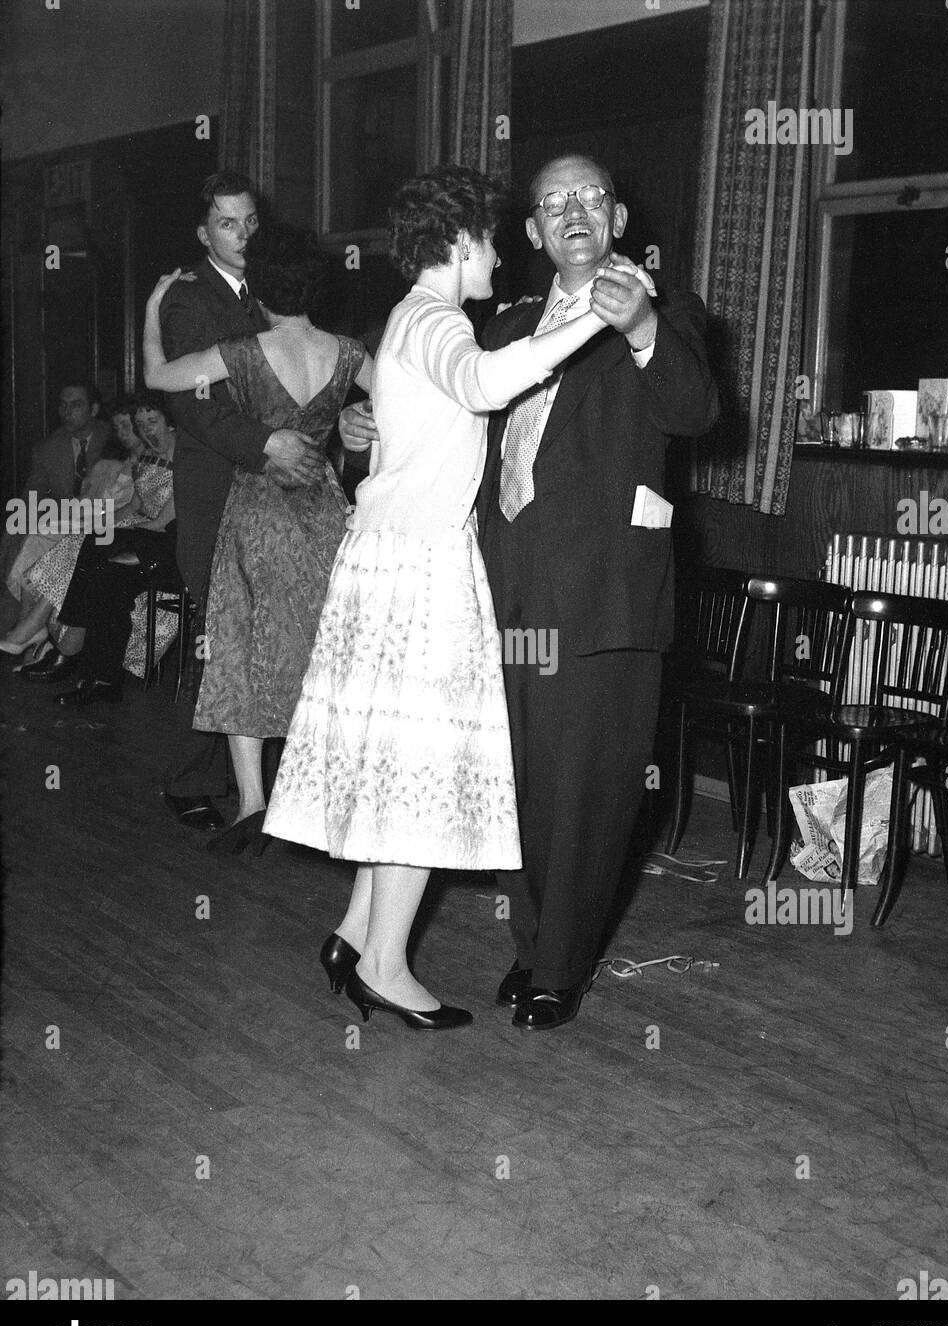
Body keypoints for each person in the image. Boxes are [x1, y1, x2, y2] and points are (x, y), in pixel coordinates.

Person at [342, 153, 719, 1031]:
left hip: (603, 595)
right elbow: (451, 418)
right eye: (552, 203)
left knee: (588, 786)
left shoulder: (673, 312)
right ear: (532, 234)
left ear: (618, 219)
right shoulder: (505, 321)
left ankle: (560, 966)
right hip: (499, 589)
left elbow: (695, 412)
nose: (572, 211)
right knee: (516, 779)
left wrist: (642, 332)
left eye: (590, 196)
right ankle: (534, 944)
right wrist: (374, 429)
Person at [264, 164, 627, 1033]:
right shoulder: (435, 319)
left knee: (396, 761)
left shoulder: (411, 319)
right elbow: (482, 386)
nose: (499, 257)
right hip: (418, 570)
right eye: (492, 241)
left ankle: (355, 936)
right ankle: (387, 966)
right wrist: (586, 320)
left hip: (391, 561)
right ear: (460, 244)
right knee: (421, 770)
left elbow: (421, 415)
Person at [142, 223, 372, 852]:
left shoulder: (241, 351)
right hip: (323, 511)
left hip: (256, 514)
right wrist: (356, 424)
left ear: (261, 287)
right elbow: (403, 409)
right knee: (324, 650)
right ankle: (322, 804)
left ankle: (253, 805)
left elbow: (160, 378)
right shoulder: (349, 352)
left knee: (241, 647)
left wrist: (153, 307)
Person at [158, 171, 330, 832]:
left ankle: (266, 784)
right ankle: (190, 777)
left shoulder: (276, 291)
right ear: (204, 233)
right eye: (229, 224)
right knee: (218, 637)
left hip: (279, 497)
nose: (243, 234)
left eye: (251, 221)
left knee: (276, 631)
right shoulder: (188, 300)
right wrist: (268, 445)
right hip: (217, 492)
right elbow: (193, 404)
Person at [42, 396, 177, 706]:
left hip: (171, 544)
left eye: (151, 422)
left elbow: (164, 520)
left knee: (104, 562)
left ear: (170, 421)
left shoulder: (188, 456)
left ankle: (75, 644)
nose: (146, 431)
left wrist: (131, 539)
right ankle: (102, 678)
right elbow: (135, 506)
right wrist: (105, 526)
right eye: (140, 425)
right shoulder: (148, 457)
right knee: (102, 563)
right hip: (146, 534)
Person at [0, 382, 111, 663]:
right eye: (62, 405)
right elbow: (32, 492)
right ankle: (28, 629)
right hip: (64, 519)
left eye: (76, 405)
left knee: (41, 540)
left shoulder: (114, 437)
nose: (66, 412)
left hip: (104, 518)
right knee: (19, 535)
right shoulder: (47, 448)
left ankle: (26, 632)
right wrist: (28, 517)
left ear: (94, 409)